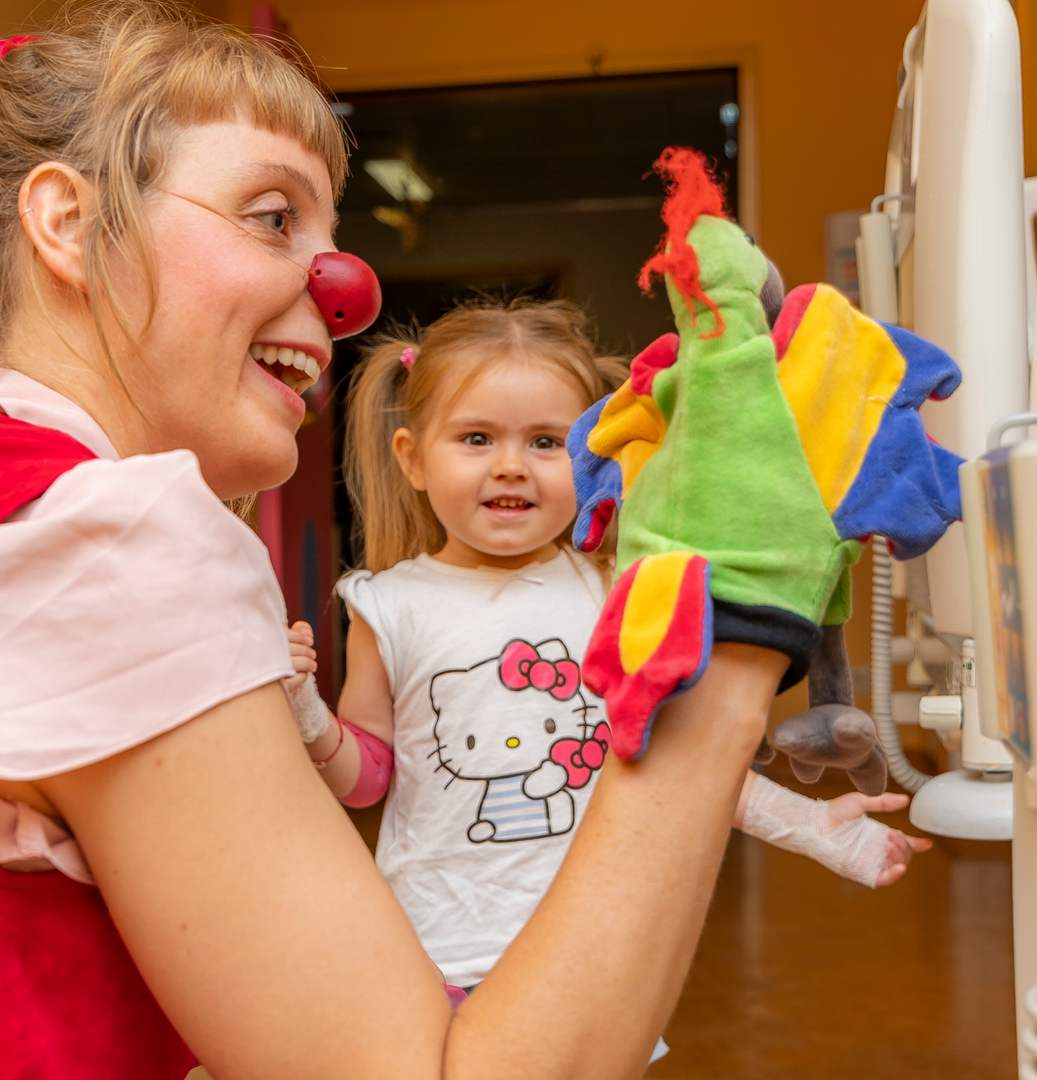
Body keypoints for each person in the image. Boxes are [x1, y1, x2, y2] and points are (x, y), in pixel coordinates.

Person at [0, 5, 824, 1078]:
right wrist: (735, 640)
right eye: (274, 216)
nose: (341, 293)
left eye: (333, 236)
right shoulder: (113, 533)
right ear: (65, 221)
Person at [290, 299, 931, 1029]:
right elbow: (365, 782)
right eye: (475, 438)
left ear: (594, 456)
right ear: (412, 457)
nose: (510, 467)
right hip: (435, 953)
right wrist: (306, 711)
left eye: (545, 442)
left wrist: (814, 828)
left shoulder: (617, 592)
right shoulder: (387, 606)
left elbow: (679, 765)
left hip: (596, 947)